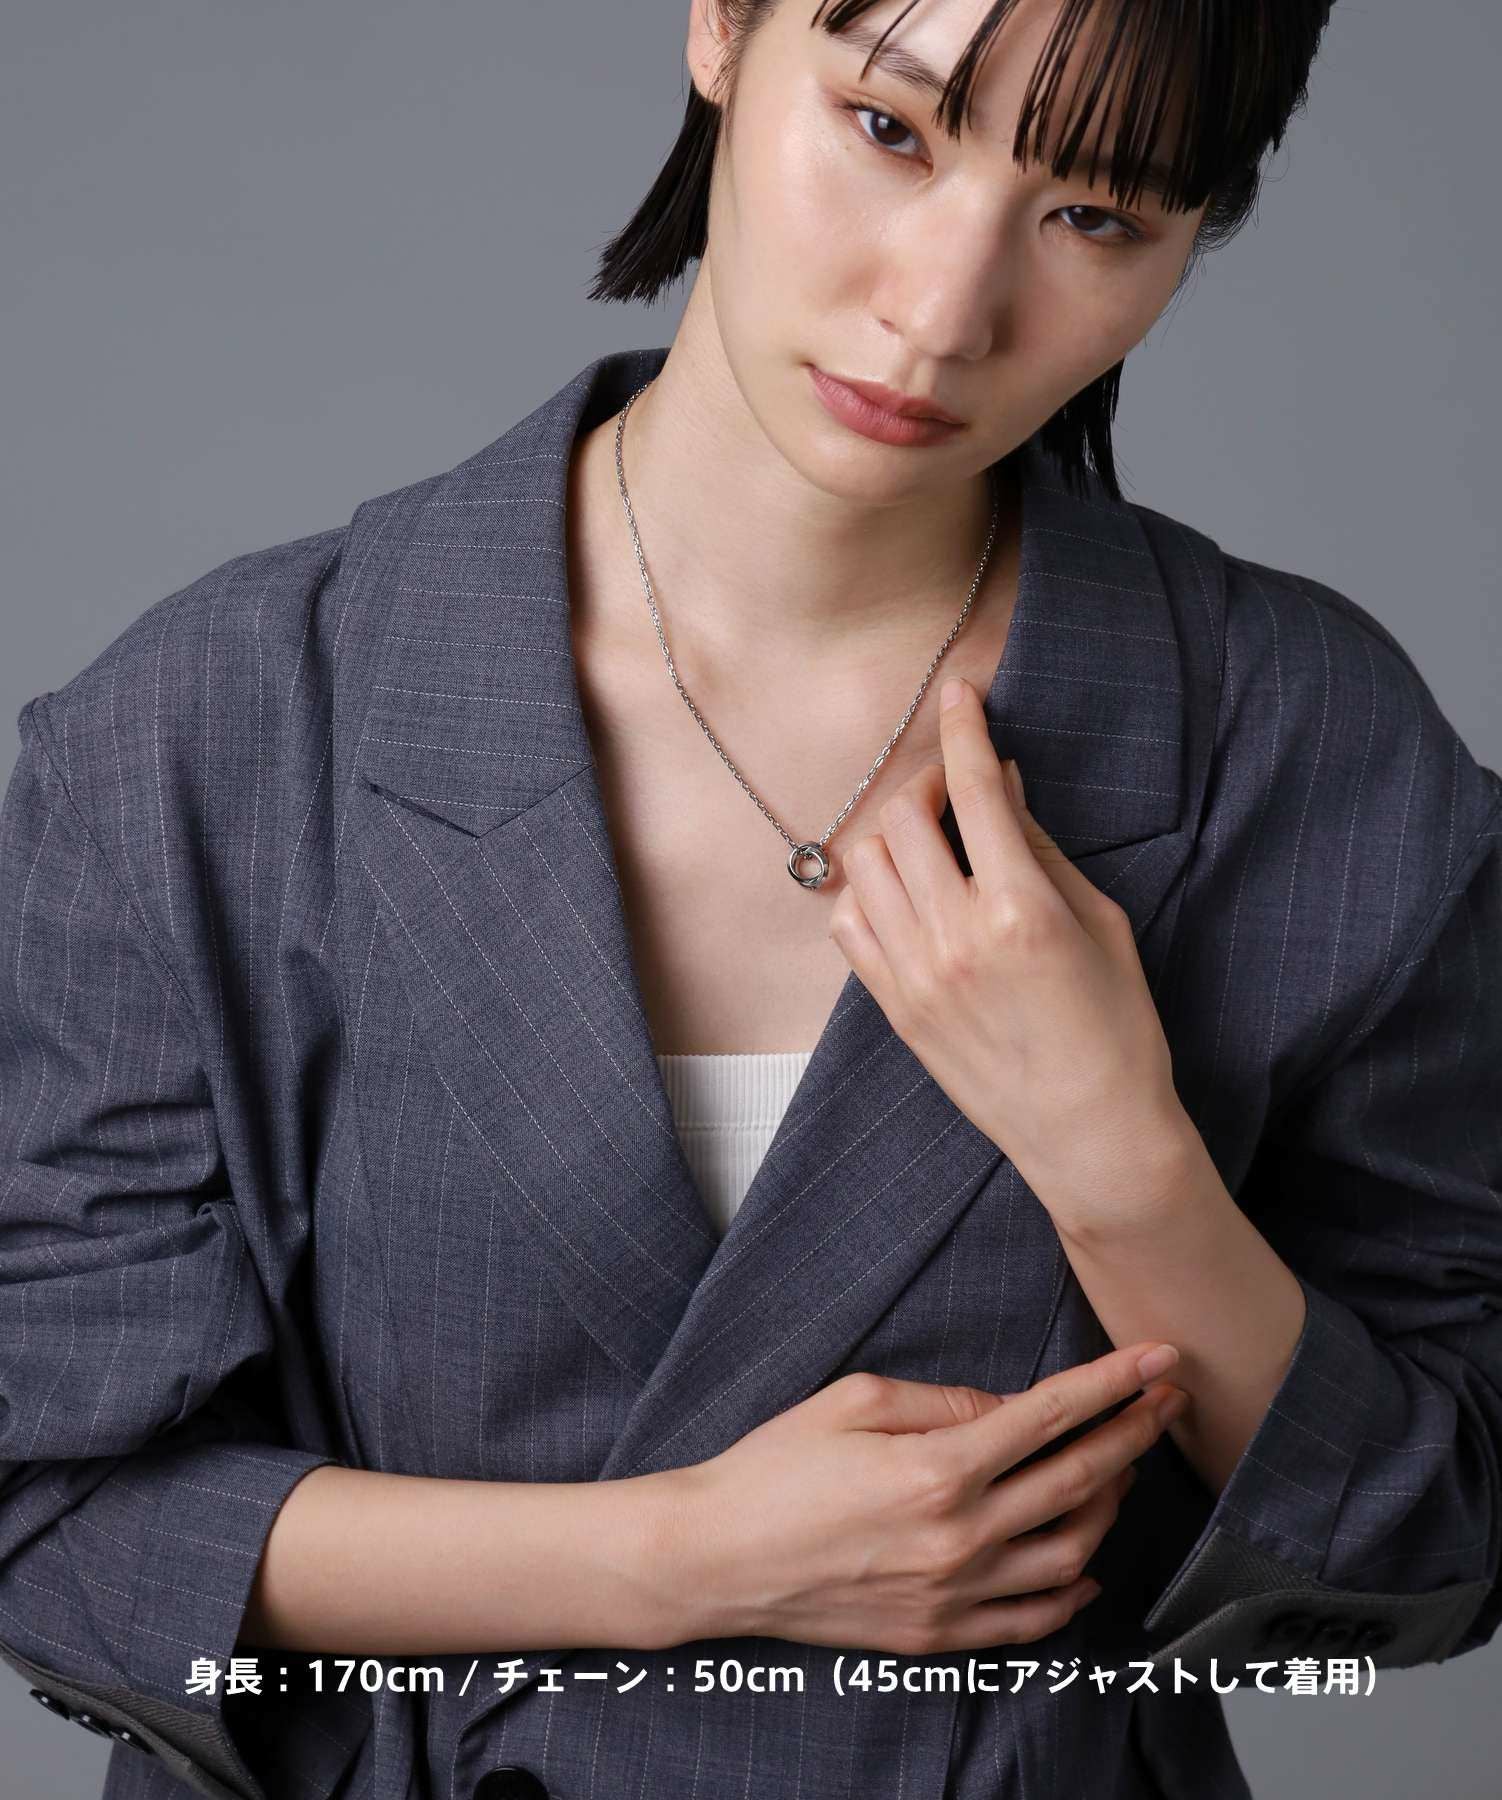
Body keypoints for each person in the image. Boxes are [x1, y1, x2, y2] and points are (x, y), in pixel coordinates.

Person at [2, 2, 1499, 1798]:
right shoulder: (216, 726)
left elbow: (1437, 1537)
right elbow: (53, 1515)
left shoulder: (1308, 750)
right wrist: (676, 1558)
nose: (940, 311)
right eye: (888, 129)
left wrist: (1123, 1168)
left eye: (1095, 216)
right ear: (721, 26)